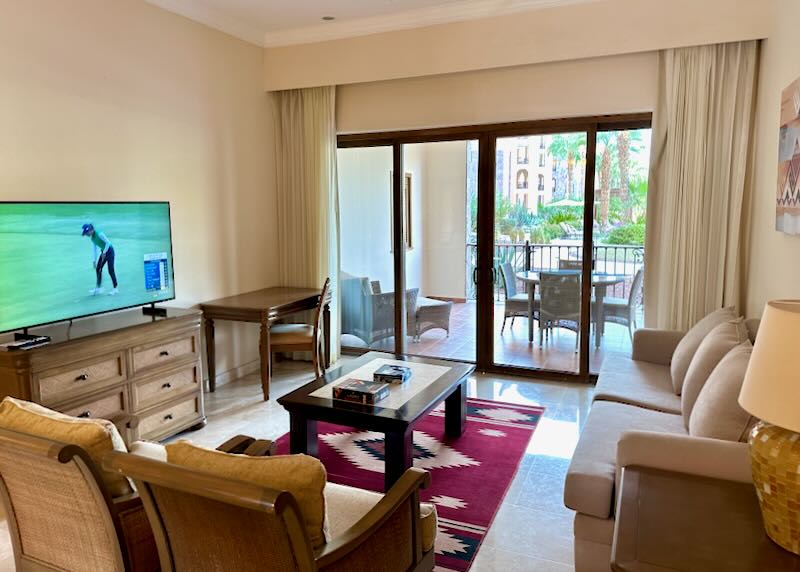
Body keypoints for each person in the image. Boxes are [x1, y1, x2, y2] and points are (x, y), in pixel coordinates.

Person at [81, 223, 118, 295]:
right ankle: (99, 288)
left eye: (86, 233)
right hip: (104, 252)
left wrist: (104, 252)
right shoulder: (92, 237)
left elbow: (108, 242)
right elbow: (94, 249)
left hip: (110, 251)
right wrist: (94, 260)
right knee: (98, 268)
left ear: (90, 230)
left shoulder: (100, 234)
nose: (86, 235)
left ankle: (115, 288)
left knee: (110, 270)